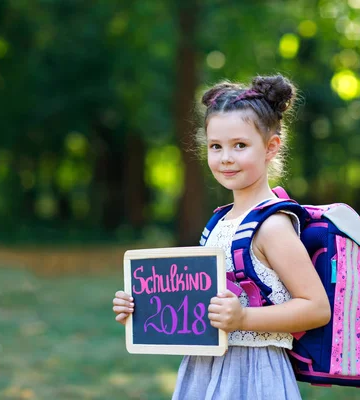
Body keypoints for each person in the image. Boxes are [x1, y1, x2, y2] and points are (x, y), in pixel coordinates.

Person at [112, 74, 331, 399]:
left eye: (240, 145)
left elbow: (316, 308)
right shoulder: (219, 221)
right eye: (216, 146)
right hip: (203, 370)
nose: (225, 157)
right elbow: (192, 303)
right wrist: (140, 309)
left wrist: (244, 317)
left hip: (253, 374)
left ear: (271, 147)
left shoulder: (272, 225)